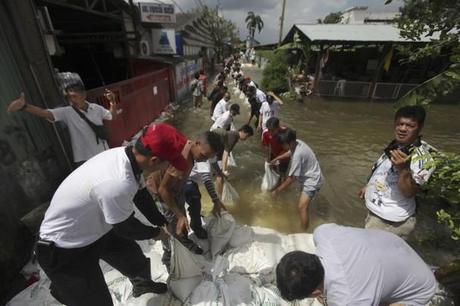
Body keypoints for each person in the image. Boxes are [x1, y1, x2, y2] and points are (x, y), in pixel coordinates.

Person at [36, 123, 190, 305]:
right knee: (97, 302)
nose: (169, 168)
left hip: (95, 228)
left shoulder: (128, 157)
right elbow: (126, 228)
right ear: (154, 161)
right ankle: (65, 290)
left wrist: (161, 221)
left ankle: (142, 285)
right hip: (64, 249)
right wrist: (156, 234)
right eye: (168, 163)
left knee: (133, 259)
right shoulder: (116, 182)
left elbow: (141, 195)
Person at [276, 223, 437, 305]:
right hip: (399, 249)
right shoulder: (324, 234)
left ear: (316, 294)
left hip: (420, 288)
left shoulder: (349, 300)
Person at [358, 105, 435, 239]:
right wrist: (368, 186)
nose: (403, 129)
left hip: (394, 220)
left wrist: (404, 169)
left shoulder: (424, 159)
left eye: (410, 126)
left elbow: (409, 192)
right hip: (376, 210)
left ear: (420, 129)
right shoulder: (395, 145)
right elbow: (381, 167)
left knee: (383, 256)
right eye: (400, 124)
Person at [145, 131, 224, 259]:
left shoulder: (190, 148)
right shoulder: (183, 160)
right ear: (197, 143)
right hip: (161, 191)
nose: (203, 160)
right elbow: (163, 190)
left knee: (182, 215)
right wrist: (180, 215)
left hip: (176, 188)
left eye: (207, 158)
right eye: (203, 155)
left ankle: (184, 237)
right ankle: (173, 251)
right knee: (171, 221)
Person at [7, 84, 117, 167]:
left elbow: (112, 116)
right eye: (69, 97)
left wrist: (112, 102)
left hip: (103, 153)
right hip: (84, 159)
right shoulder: (67, 112)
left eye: (74, 96)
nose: (72, 100)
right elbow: (46, 113)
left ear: (84, 95)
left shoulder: (96, 108)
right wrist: (25, 106)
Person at [272, 129, 323, 230]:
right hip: (310, 175)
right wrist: (277, 158)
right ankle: (305, 220)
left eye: (283, 145)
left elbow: (292, 178)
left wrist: (277, 191)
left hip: (312, 180)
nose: (282, 147)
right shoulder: (298, 142)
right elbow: (289, 152)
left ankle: (303, 232)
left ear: (290, 142)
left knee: (301, 208)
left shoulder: (297, 156)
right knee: (304, 206)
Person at [185, 161, 227, 239]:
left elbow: (213, 161)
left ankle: (195, 215)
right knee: (195, 201)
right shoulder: (203, 159)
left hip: (191, 178)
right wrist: (215, 200)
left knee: (196, 200)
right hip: (185, 179)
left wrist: (219, 172)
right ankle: (196, 227)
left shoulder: (211, 153)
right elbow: (206, 179)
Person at [212, 125, 254, 196]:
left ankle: (216, 191)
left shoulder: (233, 135)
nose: (246, 138)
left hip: (214, 153)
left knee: (218, 174)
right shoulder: (234, 136)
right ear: (243, 132)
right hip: (211, 152)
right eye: (247, 136)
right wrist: (224, 171)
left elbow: (223, 150)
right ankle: (218, 197)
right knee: (220, 177)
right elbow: (225, 153)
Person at [262, 117, 290, 184]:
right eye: (269, 130)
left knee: (282, 173)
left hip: (284, 157)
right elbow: (267, 147)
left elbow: (288, 150)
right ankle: (274, 184)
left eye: (272, 130)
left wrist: (277, 159)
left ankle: (282, 188)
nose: (270, 132)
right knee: (272, 170)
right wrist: (268, 158)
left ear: (278, 127)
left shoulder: (286, 133)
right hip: (273, 154)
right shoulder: (266, 133)